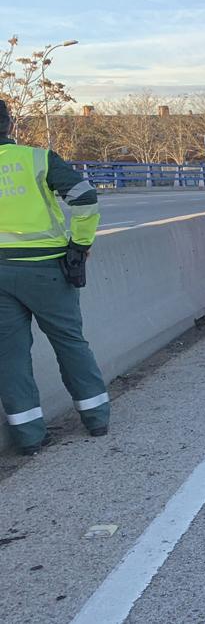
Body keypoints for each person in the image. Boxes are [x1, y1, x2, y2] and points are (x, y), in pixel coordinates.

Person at [0, 99, 108, 456]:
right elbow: (84, 196)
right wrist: (80, 244)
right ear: (10, 125)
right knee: (69, 341)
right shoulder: (37, 158)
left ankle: (29, 437)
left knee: (9, 355)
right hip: (46, 269)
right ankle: (96, 419)